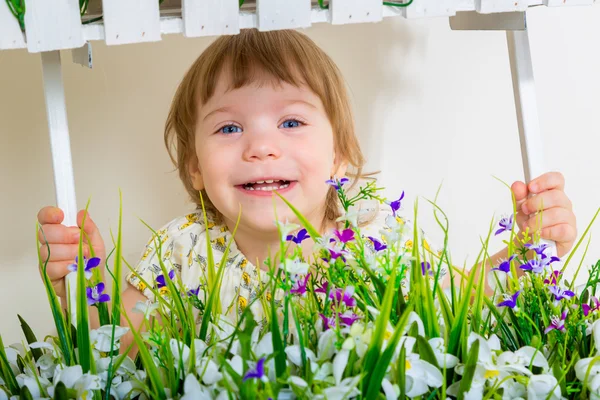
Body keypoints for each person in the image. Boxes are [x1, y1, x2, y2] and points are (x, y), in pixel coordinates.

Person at [36, 28, 577, 350]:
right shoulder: (184, 250)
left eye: (291, 123)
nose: (261, 147)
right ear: (195, 169)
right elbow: (122, 345)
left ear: (339, 155)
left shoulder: (371, 234)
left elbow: (460, 296)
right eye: (229, 128)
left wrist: (528, 252)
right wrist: (81, 288)